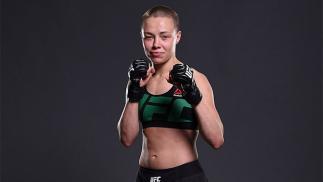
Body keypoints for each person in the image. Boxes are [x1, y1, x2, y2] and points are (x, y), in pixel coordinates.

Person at [117, 5, 224, 182]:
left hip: (184, 176)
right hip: (145, 176)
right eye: (149, 37)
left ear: (178, 37)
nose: (156, 44)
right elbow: (127, 139)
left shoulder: (196, 79)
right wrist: (134, 93)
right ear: (142, 38)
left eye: (164, 37)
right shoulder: (139, 79)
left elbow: (217, 140)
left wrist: (193, 94)